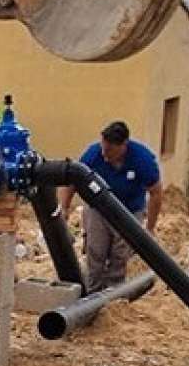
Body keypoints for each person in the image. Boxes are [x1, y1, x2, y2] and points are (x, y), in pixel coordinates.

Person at [60, 121, 162, 293]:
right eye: (103, 148)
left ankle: (115, 294)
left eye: (109, 150)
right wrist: (64, 208)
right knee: (95, 252)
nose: (104, 153)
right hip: (98, 209)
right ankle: (93, 292)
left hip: (129, 211)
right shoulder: (93, 155)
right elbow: (72, 181)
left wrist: (150, 228)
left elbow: (156, 192)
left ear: (123, 145)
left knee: (120, 255)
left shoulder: (142, 159)